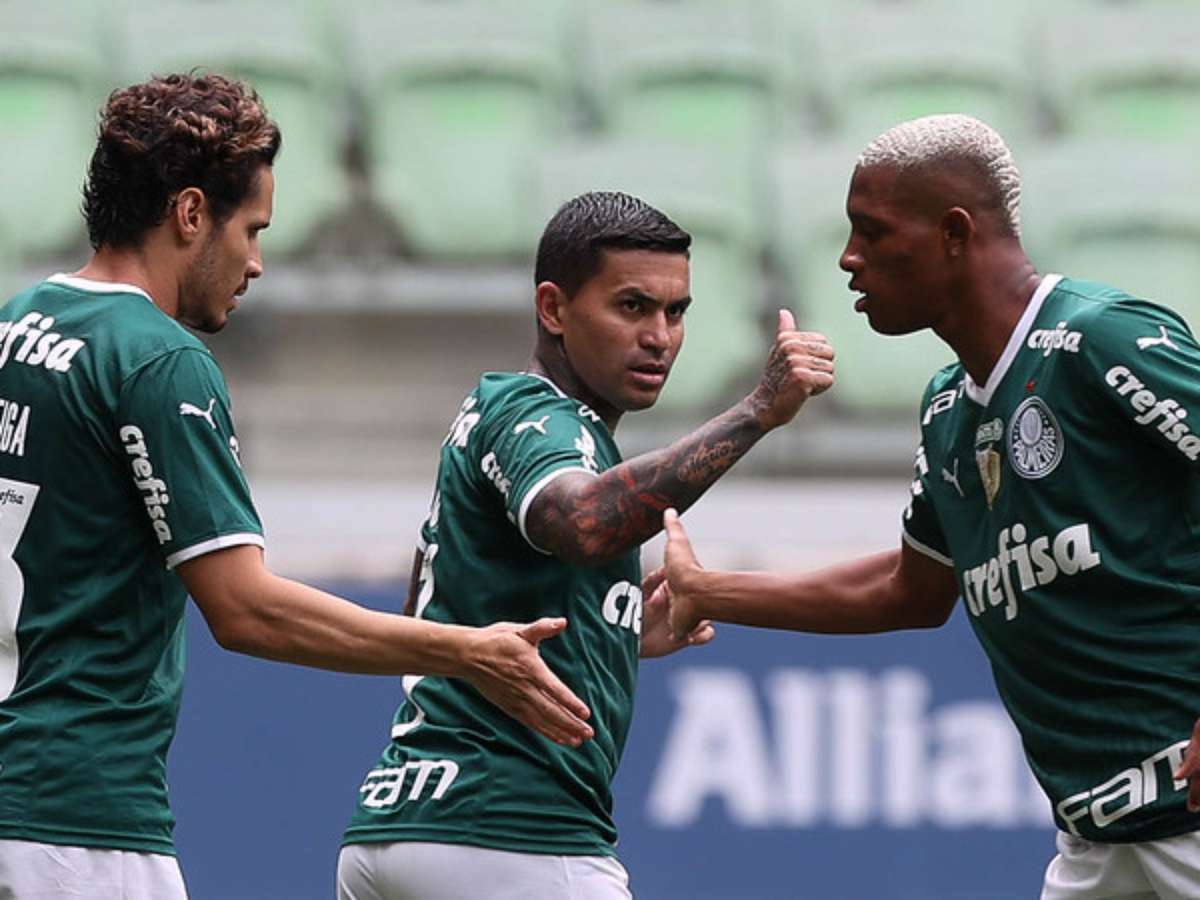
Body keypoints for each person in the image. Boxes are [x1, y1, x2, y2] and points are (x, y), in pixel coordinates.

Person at [0, 72, 596, 900]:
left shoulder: (16, 324)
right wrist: (466, 650)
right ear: (190, 214)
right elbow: (246, 611)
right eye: (251, 229)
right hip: (77, 826)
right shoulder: (158, 359)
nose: (256, 262)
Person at [659, 112, 1200, 900]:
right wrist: (711, 593)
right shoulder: (950, 408)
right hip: (1096, 845)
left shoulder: (1099, 340)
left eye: (871, 232)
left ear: (953, 232)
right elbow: (910, 592)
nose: (847, 259)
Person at [335, 190, 835, 899]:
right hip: (510, 835)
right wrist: (757, 412)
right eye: (632, 307)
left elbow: (433, 606)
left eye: (677, 311)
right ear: (554, 308)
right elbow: (584, 523)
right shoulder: (540, 416)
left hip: (392, 829)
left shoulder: (493, 415)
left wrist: (610, 630)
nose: (660, 335)